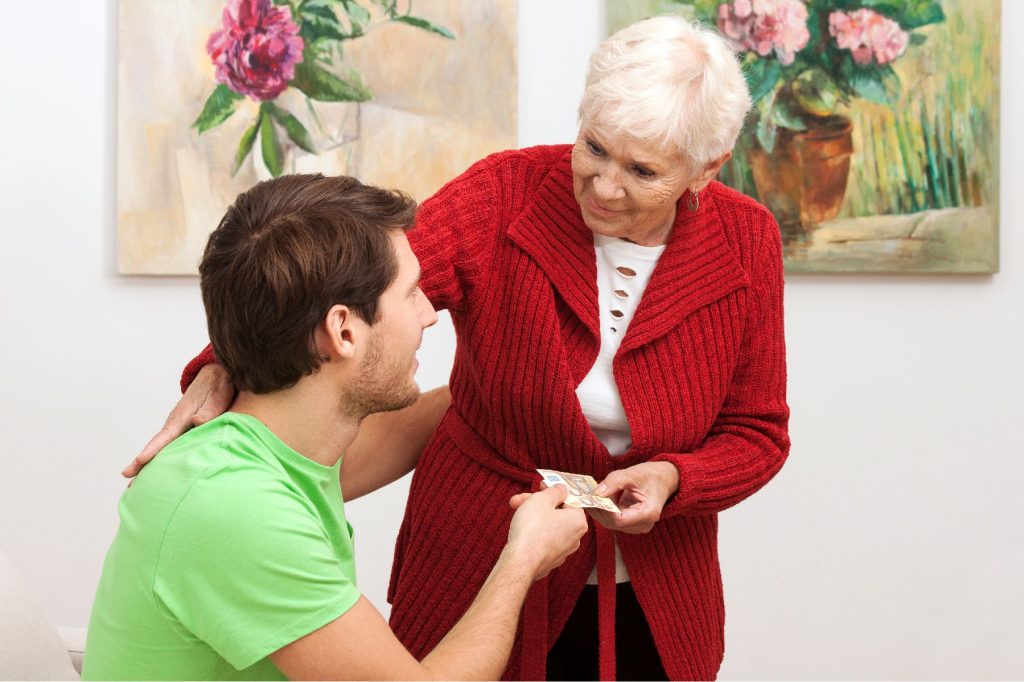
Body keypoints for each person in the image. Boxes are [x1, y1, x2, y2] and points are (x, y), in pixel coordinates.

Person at [128, 14, 790, 681]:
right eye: (593, 148)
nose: (605, 185)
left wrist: (677, 480)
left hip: (657, 593)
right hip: (477, 553)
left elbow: (758, 430)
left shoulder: (749, 242)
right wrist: (222, 364)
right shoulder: (504, 194)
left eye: (643, 171)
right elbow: (346, 290)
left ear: (708, 168)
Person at [85, 174, 588, 681]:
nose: (429, 316)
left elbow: (413, 430)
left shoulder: (264, 454)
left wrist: (516, 375)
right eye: (412, 293)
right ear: (343, 331)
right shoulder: (231, 503)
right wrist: (522, 558)